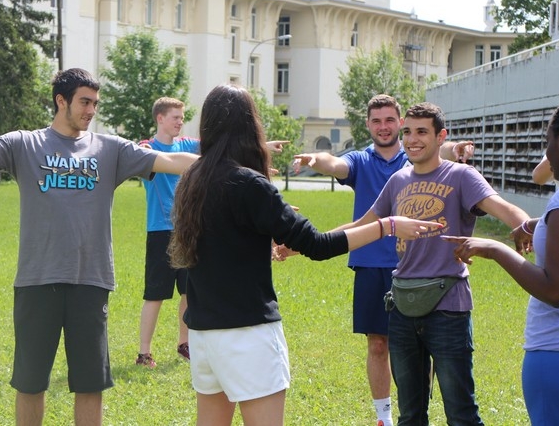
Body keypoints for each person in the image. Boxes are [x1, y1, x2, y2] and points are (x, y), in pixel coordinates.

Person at [0, 68, 198, 426]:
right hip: (37, 280)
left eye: (95, 103)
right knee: (30, 383)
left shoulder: (111, 149)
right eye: (84, 102)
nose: (91, 110)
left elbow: (172, 162)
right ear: (61, 101)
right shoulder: (24, 144)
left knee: (90, 384)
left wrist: (223, 163)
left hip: (90, 282)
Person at [168, 84, 442, 426]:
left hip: (203, 336)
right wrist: (387, 225)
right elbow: (317, 244)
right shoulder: (250, 184)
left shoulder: (192, 180)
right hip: (248, 335)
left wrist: (265, 228)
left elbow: (224, 239)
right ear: (250, 125)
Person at [292, 94, 474, 426]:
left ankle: (419, 408)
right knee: (378, 345)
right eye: (376, 121)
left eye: (390, 120)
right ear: (368, 125)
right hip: (371, 264)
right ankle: (384, 418)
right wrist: (315, 159)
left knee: (423, 345)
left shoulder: (415, 154)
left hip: (419, 267)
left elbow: (445, 150)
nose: (384, 127)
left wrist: (457, 147)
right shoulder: (361, 160)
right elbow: (335, 164)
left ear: (400, 122)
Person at [446, 96, 559, 426]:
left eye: (548, 141)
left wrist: (494, 249)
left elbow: (556, 291)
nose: (547, 154)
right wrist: (535, 224)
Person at [359, 102, 529, 425]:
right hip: (403, 306)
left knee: (461, 414)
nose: (412, 140)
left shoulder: (461, 176)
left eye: (422, 132)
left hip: (448, 307)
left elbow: (503, 208)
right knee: (410, 415)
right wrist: (308, 242)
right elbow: (362, 226)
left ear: (441, 137)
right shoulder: (397, 180)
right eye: (408, 132)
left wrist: (526, 226)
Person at [135, 97, 200, 368]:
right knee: (155, 295)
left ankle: (185, 344)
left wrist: (262, 146)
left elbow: (223, 146)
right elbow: (140, 155)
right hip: (160, 231)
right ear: (160, 118)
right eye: (175, 117)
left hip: (187, 230)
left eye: (181, 118)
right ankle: (144, 353)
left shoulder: (187, 145)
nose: (180, 122)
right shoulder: (147, 149)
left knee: (189, 292)